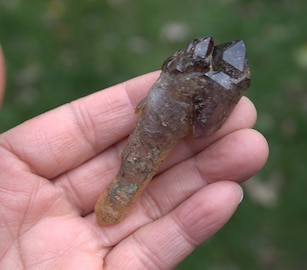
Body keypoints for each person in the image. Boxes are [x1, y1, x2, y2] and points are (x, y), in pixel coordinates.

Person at [0, 45, 268, 269]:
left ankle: (116, 203)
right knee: (136, 166)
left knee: (139, 165)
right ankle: (115, 204)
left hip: (162, 124)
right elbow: (205, 124)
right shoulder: (184, 73)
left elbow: (206, 125)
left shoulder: (192, 77)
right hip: (158, 121)